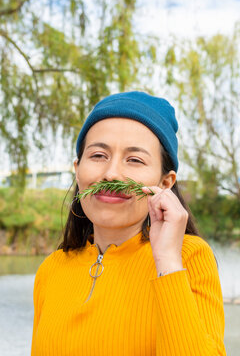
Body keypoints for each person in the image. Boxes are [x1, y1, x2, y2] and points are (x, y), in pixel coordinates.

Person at [31, 91, 226, 355]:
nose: (111, 173)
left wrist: (167, 262)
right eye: (98, 155)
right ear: (78, 170)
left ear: (165, 183)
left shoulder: (188, 258)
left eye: (135, 160)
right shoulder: (51, 270)